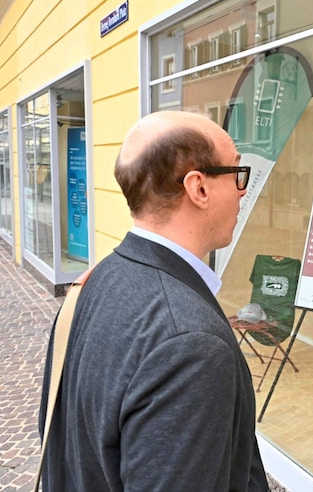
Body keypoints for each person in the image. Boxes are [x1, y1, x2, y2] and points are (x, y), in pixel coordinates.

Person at [38, 111, 270, 491]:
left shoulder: (91, 284)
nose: (243, 189)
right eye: (236, 173)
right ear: (199, 188)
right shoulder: (191, 343)